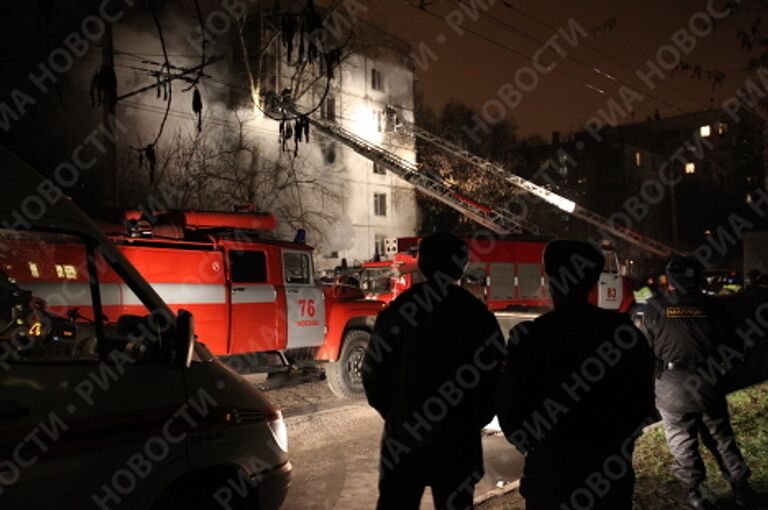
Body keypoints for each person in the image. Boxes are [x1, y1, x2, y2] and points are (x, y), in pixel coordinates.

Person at [497, 240, 654, 510]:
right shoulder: (624, 334)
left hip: (550, 474)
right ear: (593, 281)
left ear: (550, 279)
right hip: (608, 473)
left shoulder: (530, 338)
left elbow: (510, 406)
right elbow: (642, 402)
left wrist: (534, 446)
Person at [362, 232, 504, 510]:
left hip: (404, 441)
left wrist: (395, 414)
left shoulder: (397, 312)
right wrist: (473, 420)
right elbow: (495, 377)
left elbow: (373, 374)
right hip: (458, 443)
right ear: (461, 266)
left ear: (423, 264)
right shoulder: (476, 315)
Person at [642, 257, 763, 509]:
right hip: (708, 382)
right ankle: (741, 489)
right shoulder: (715, 308)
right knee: (721, 437)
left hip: (671, 386)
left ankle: (694, 493)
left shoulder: (654, 309)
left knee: (681, 440)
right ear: (698, 279)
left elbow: (645, 351)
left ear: (670, 281)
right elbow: (735, 348)